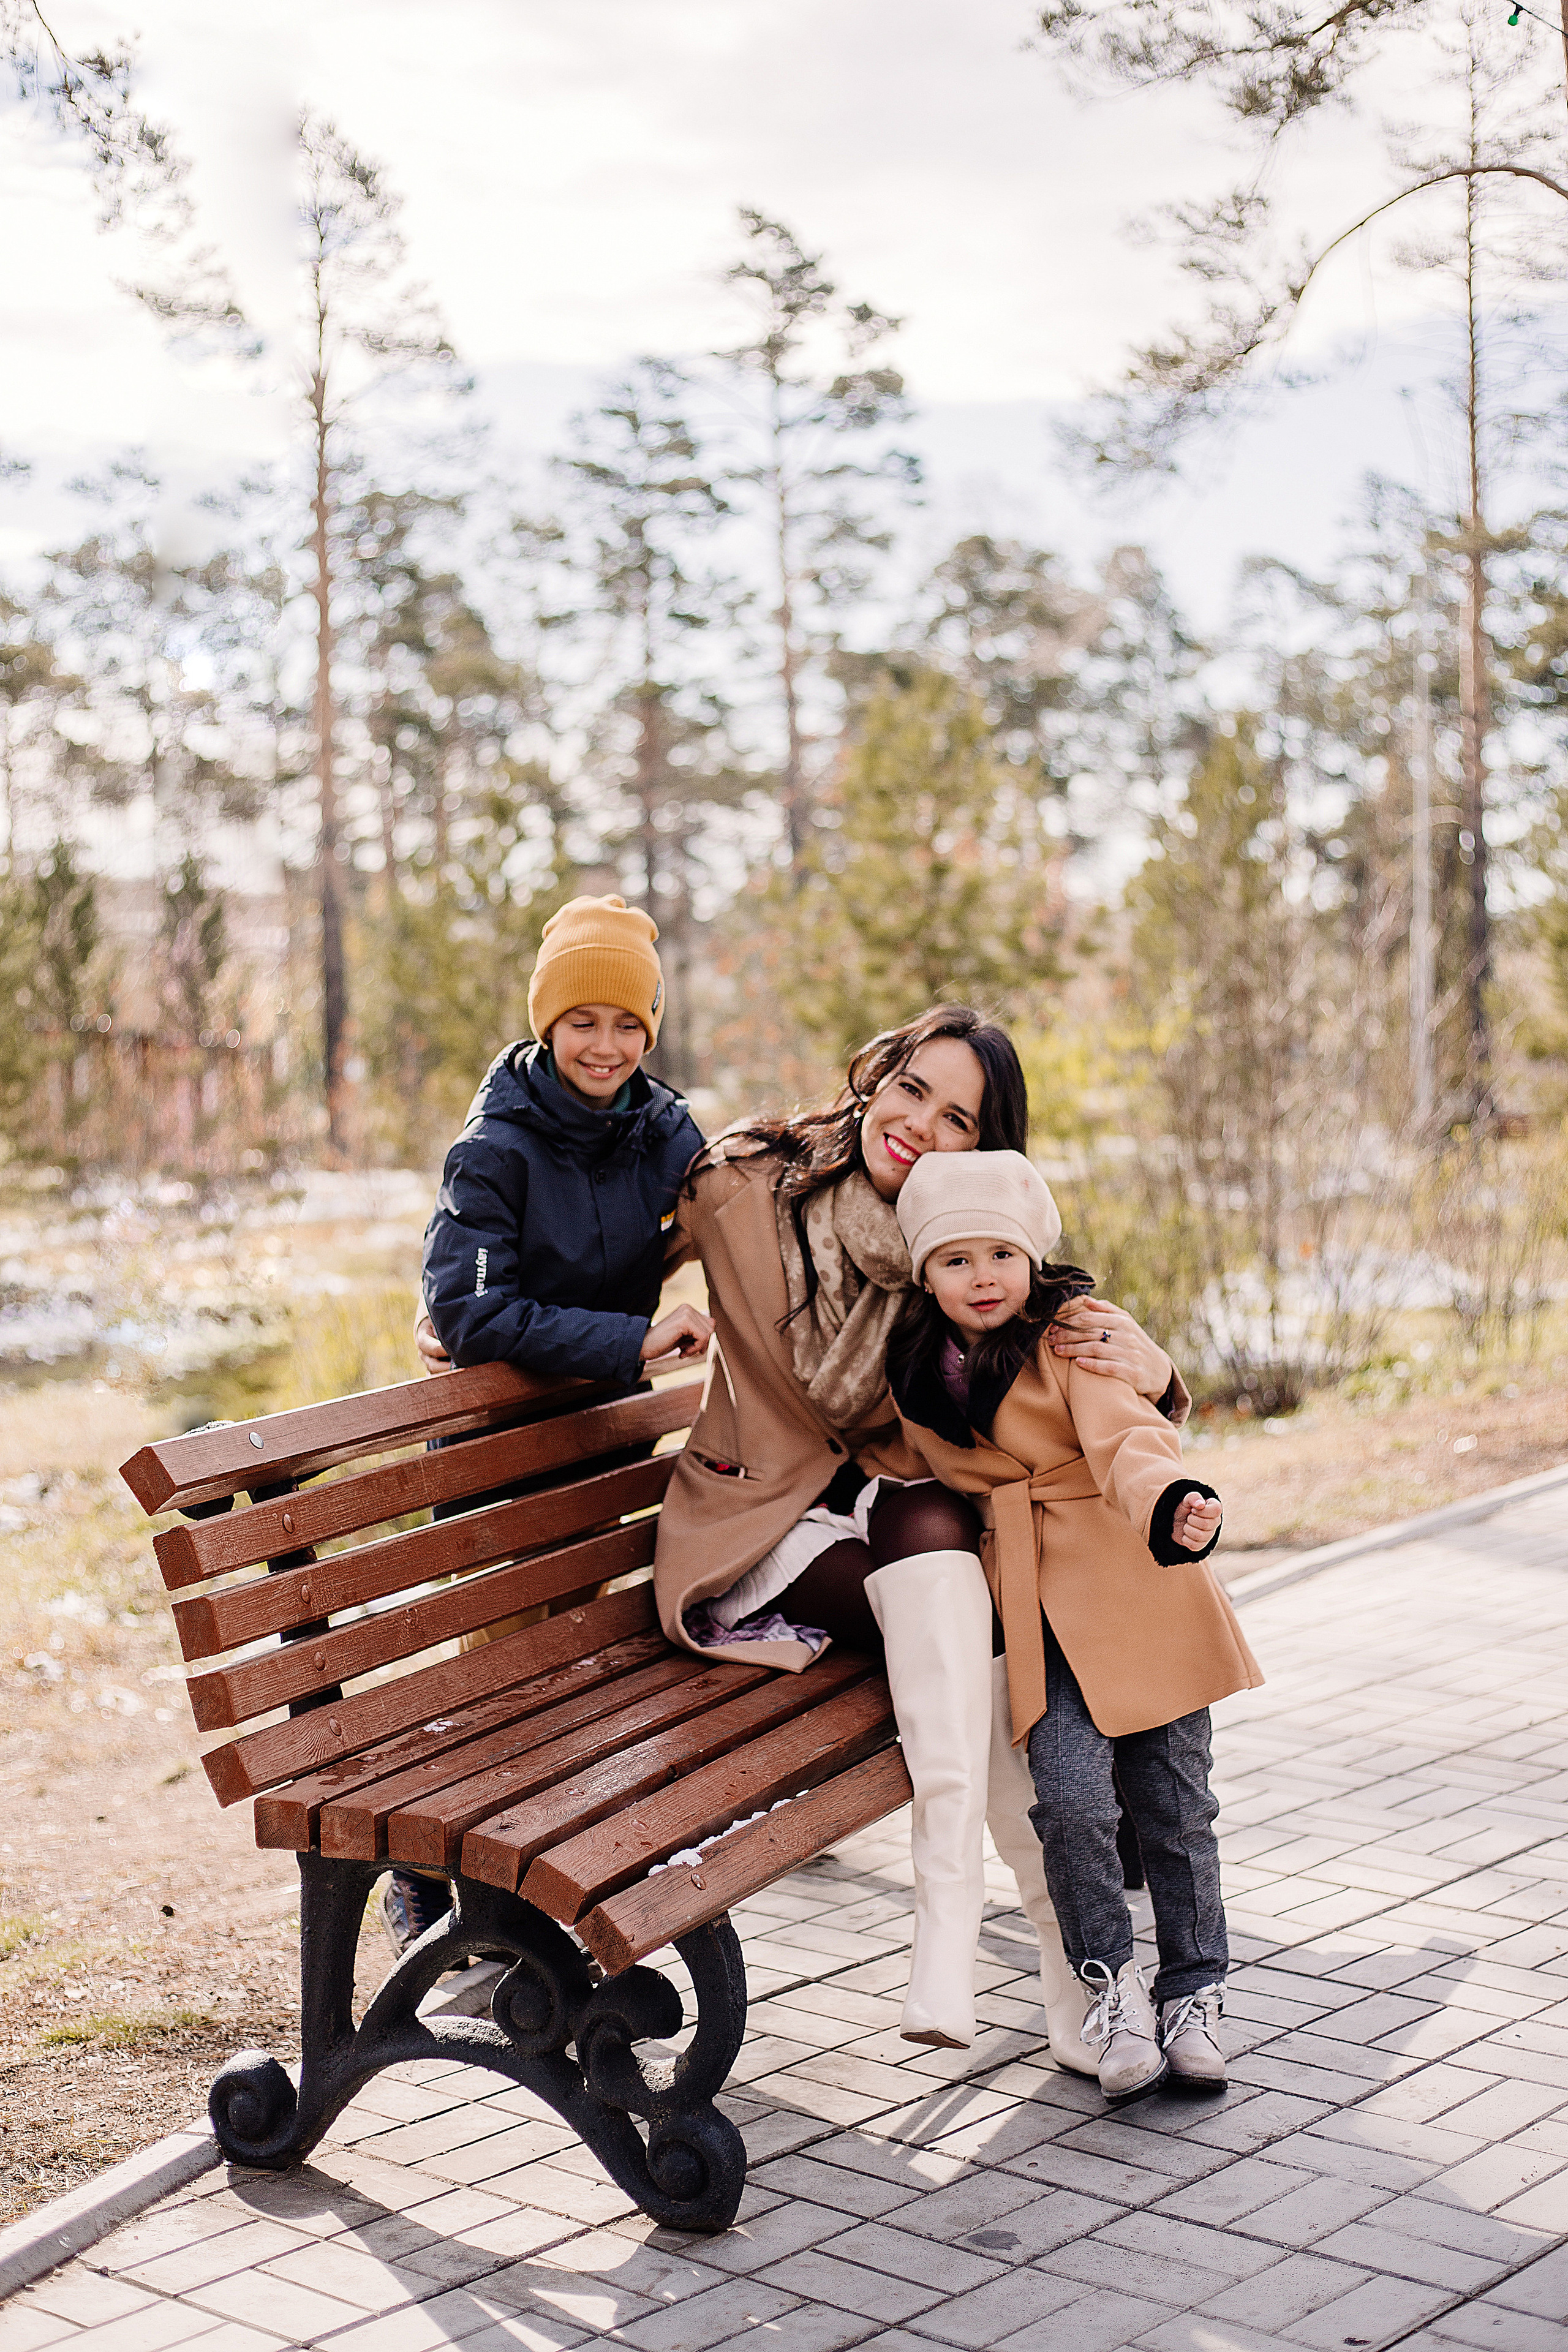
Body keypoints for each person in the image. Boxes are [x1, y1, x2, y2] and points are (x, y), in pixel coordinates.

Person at [650, 1005, 1191, 2057]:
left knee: (950, 1572)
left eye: (957, 1118)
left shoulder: (959, 1257)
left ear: (980, 1150)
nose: (919, 1127)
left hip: (888, 1513)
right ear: (877, 1077)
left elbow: (1075, 1393)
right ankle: (1078, 1974)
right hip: (759, 1518)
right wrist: (467, 1306)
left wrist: (1162, 1378)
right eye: (912, 1090)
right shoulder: (747, 1182)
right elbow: (608, 1256)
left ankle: (969, 1943)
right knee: (968, 1631)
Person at [886, 1147, 1264, 2104]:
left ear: (1033, 1257)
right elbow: (885, 1452)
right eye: (956, 1259)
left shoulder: (1072, 1334)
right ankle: (1112, 1990)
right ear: (924, 1273)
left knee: (1177, 1810)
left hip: (1134, 1575)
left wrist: (1173, 1497)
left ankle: (1195, 1995)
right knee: (1072, 1805)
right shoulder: (918, 1369)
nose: (982, 1278)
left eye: (1000, 1255)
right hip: (1031, 1603)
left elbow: (1127, 1433)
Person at [393, 893, 710, 1951]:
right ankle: (438, 1893)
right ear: (546, 1023)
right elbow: (472, 1310)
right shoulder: (494, 1149)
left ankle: (554, 1898)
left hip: (599, 1452)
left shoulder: (663, 1130)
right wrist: (631, 1341)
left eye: (629, 1023)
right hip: (497, 1465)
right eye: (584, 1020)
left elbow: (737, 1202)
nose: (607, 1045)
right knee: (500, 1683)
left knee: (572, 1678)